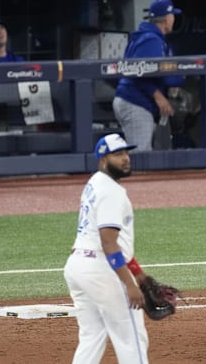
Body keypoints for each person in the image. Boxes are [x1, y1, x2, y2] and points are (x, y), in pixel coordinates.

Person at [63, 133, 151, 363]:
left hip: (78, 267)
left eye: (126, 153)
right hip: (101, 271)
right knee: (132, 338)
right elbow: (109, 243)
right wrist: (129, 283)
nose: (125, 159)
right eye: (118, 154)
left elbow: (116, 243)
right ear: (103, 160)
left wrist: (138, 272)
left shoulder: (94, 182)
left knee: (92, 336)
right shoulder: (111, 192)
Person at [113, 0, 184, 152]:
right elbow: (138, 73)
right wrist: (158, 96)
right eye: (172, 15)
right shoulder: (150, 40)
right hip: (135, 101)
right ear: (166, 19)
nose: (174, 19)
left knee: (141, 154)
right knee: (141, 157)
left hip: (133, 100)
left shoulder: (151, 37)